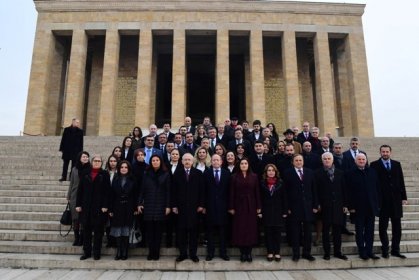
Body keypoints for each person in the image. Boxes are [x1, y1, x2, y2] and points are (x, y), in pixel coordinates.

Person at [371, 145, 408, 259]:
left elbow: (401, 180)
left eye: (387, 151)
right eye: (383, 152)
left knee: (397, 227)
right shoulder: (374, 165)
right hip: (383, 202)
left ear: (390, 152)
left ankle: (395, 250)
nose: (385, 153)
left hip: (396, 200)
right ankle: (385, 249)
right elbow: (373, 184)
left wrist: (404, 197)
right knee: (383, 227)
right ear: (380, 152)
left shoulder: (397, 164)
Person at [283, 154, 318, 261]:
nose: (298, 162)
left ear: (303, 161)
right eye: (296, 160)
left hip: (308, 207)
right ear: (293, 162)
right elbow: (285, 192)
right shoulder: (287, 173)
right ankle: (296, 253)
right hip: (294, 207)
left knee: (308, 232)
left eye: (300, 160)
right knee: (295, 231)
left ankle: (307, 253)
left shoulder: (310, 172)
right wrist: (287, 207)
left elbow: (314, 190)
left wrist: (315, 205)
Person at [172, 153, 205, 263]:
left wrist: (201, 204)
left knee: (193, 233)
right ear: (182, 161)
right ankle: (182, 254)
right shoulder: (177, 174)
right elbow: (174, 191)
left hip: (194, 208)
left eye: (189, 160)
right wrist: (174, 206)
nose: (187, 162)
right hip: (180, 208)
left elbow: (202, 191)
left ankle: (193, 254)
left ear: (192, 161)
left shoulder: (199, 173)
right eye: (185, 160)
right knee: (181, 232)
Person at [315, 152, 348, 260]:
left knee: (337, 231)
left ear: (332, 160)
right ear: (322, 160)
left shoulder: (340, 173)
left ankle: (338, 252)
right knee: (325, 231)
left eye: (329, 158)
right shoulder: (317, 173)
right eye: (325, 159)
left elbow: (344, 190)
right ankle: (327, 253)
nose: (327, 160)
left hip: (338, 206)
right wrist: (318, 204)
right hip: (325, 207)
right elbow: (315, 191)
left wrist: (345, 204)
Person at [76, 155, 110, 260]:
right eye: (95, 161)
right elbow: (80, 190)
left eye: (99, 161)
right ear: (91, 162)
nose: (97, 162)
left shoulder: (104, 174)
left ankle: (96, 253)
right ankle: (87, 252)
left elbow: (107, 191)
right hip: (86, 208)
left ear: (101, 163)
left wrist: (105, 205)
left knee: (98, 232)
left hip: (99, 208)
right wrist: (78, 204)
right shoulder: (85, 173)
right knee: (86, 232)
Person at [346, 153, 380, 260]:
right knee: (359, 231)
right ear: (355, 161)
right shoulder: (350, 173)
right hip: (357, 208)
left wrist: (377, 204)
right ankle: (362, 251)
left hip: (370, 207)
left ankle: (369, 251)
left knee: (370, 231)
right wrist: (350, 206)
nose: (361, 161)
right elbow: (348, 192)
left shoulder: (372, 172)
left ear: (366, 160)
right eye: (359, 159)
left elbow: (377, 190)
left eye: (363, 159)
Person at [138, 155, 171, 260]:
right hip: (149, 205)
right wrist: (139, 203)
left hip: (161, 206)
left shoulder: (166, 174)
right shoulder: (146, 174)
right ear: (151, 162)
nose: (155, 162)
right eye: (153, 160)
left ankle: (156, 253)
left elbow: (168, 192)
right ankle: (150, 252)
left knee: (158, 232)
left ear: (160, 162)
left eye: (157, 160)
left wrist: (168, 206)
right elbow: (142, 190)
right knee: (149, 232)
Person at [229, 158, 261, 262]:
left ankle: (249, 253)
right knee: (240, 229)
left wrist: (259, 207)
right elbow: (231, 193)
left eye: (245, 163)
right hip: (239, 206)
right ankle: (243, 253)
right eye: (242, 163)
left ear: (248, 165)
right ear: (239, 165)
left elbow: (257, 192)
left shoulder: (254, 176)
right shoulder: (234, 177)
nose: (243, 165)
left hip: (251, 205)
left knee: (250, 229)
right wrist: (231, 207)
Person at [204, 154, 231, 261]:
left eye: (217, 160)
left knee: (223, 231)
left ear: (221, 162)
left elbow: (229, 191)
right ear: (211, 161)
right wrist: (204, 205)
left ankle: (223, 253)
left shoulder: (227, 174)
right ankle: (210, 253)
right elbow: (203, 191)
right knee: (210, 232)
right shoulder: (206, 173)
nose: (215, 162)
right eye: (213, 160)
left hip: (223, 207)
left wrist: (229, 206)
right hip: (210, 207)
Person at [108, 160, 138, 260]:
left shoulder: (133, 179)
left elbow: (135, 195)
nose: (124, 169)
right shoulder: (115, 179)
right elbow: (111, 195)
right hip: (117, 207)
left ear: (128, 169)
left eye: (126, 167)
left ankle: (125, 251)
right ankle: (119, 251)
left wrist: (135, 207)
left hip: (128, 207)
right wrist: (111, 209)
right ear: (119, 168)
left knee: (125, 230)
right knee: (117, 230)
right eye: (122, 167)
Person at [260, 164, 287, 262]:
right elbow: (260, 198)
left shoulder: (280, 182)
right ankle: (270, 252)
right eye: (269, 170)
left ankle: (277, 252)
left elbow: (284, 198)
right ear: (266, 172)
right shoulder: (262, 183)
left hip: (278, 211)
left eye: (273, 170)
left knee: (277, 233)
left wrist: (285, 211)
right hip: (267, 211)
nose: (271, 172)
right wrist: (260, 211)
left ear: (275, 172)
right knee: (268, 233)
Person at [66, 151, 90, 246]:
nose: (85, 158)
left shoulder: (90, 169)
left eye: (87, 157)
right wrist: (68, 195)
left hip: (86, 196)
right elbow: (71, 183)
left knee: (84, 218)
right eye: (83, 156)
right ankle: (77, 237)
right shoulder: (74, 169)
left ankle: (83, 238)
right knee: (75, 218)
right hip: (75, 196)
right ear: (79, 158)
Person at [105, 155, 118, 248]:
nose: (112, 163)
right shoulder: (105, 173)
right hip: (106, 200)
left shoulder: (120, 172)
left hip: (116, 201)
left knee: (115, 222)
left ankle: (115, 241)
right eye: (111, 161)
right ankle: (109, 241)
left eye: (114, 161)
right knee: (107, 223)